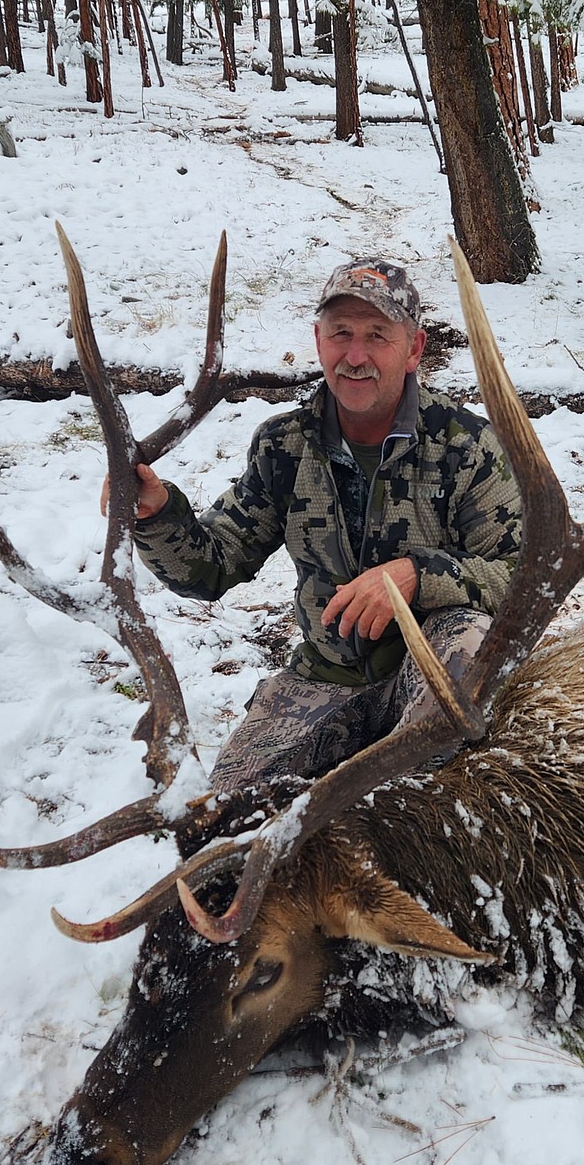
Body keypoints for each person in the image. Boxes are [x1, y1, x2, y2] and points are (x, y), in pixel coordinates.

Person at [122, 256, 524, 794]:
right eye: (341, 334)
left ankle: (424, 796)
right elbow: (212, 567)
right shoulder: (284, 445)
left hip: (429, 672)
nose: (356, 357)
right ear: (319, 340)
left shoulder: (467, 446)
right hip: (323, 679)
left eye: (378, 335)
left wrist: (417, 576)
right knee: (221, 819)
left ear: (413, 349)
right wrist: (156, 513)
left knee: (463, 672)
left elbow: (522, 578)